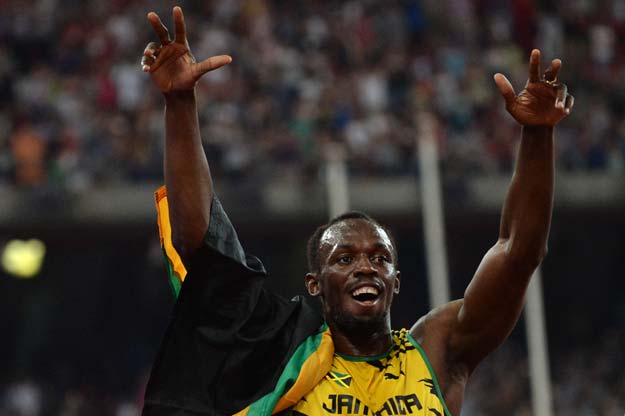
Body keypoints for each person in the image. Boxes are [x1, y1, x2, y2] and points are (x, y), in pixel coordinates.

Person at [139, 6, 574, 416]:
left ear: (395, 282)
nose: (366, 267)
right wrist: (180, 105)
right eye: (345, 259)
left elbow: (518, 253)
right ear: (315, 285)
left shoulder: (438, 350)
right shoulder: (280, 357)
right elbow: (203, 249)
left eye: (379, 258)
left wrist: (536, 137)